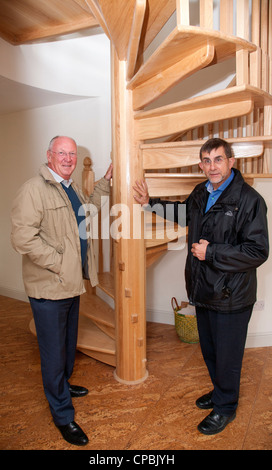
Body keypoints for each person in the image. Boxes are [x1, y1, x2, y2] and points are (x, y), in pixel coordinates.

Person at [134, 137, 269, 435]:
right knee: (209, 351)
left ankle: (225, 407)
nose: (212, 167)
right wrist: (149, 204)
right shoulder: (200, 191)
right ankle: (220, 391)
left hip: (232, 296)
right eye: (206, 161)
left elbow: (257, 251)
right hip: (204, 290)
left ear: (231, 162)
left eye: (218, 160)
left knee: (228, 356)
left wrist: (213, 253)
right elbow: (185, 214)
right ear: (201, 164)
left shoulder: (249, 200)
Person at [11, 136, 112, 446]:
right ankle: (63, 415)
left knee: (68, 341)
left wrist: (105, 183)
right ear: (49, 155)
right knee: (53, 354)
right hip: (49, 284)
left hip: (71, 283)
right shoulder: (33, 189)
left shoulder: (71, 189)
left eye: (72, 153)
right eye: (62, 153)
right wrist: (59, 261)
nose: (68, 158)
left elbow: (89, 212)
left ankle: (64, 386)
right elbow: (22, 238)